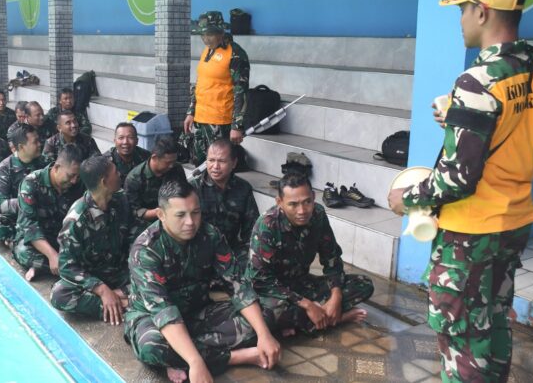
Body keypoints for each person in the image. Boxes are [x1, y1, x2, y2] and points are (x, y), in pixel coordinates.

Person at [386, 0, 533, 383]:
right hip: (513, 223)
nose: (461, 19)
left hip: (470, 233)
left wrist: (406, 198)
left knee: (461, 338)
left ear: (482, 12)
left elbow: (457, 179)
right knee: (494, 326)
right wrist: (461, 120)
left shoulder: (477, 82)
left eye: (463, 10)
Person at [125, 180, 281, 383]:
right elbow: (163, 312)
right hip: (153, 318)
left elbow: (238, 286)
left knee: (265, 317)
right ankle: (235, 357)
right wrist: (195, 361)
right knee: (152, 347)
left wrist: (264, 334)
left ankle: (180, 356)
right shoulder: (146, 250)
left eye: (196, 213)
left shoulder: (210, 234)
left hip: (198, 311)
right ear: (161, 215)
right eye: (180, 215)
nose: (190, 222)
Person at [247, 174, 373, 337]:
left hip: (302, 283)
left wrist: (336, 297)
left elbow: (332, 259)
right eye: (293, 204)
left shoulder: (318, 214)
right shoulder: (267, 225)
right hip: (274, 292)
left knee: (363, 284)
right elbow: (260, 280)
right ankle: (335, 319)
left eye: (307, 202)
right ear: (279, 202)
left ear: (313, 197)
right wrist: (307, 305)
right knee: (266, 315)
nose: (302, 211)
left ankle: (308, 322)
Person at [50, 155, 133, 322]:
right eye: (115, 173)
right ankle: (124, 305)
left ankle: (119, 299)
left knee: (157, 276)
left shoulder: (121, 200)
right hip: (92, 278)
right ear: (104, 182)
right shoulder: (76, 219)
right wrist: (101, 289)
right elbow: (66, 266)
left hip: (120, 273)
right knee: (59, 294)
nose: (120, 175)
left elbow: (135, 236)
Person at [183, 11, 250, 164]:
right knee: (200, 164)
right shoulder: (208, 50)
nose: (205, 39)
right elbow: (200, 83)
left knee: (219, 166)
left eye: (210, 34)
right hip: (201, 119)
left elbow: (241, 91)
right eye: (202, 35)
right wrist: (191, 112)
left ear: (221, 32)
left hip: (220, 122)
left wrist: (237, 125)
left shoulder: (235, 53)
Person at [14, 145, 85, 281]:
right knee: (23, 252)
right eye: (71, 176)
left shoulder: (78, 184)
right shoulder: (31, 183)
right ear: (56, 168)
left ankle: (47, 267)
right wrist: (52, 255)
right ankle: (66, 268)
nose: (74, 181)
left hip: (64, 239)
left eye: (77, 176)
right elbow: (29, 226)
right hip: (40, 239)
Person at [189, 139, 258, 273]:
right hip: (198, 251)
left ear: (234, 163)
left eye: (221, 161)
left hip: (231, 252)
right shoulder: (192, 189)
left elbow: (252, 229)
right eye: (211, 160)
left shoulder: (243, 188)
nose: (215, 166)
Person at [0, 124, 48, 243]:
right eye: (35, 142)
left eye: (39, 140)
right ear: (21, 147)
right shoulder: (4, 168)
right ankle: (16, 239)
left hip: (42, 211)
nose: (39, 144)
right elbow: (1, 204)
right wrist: (26, 202)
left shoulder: (45, 163)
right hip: (17, 215)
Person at [124, 136, 187, 233]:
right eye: (168, 162)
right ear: (154, 158)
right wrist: (163, 211)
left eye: (174, 161)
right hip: (147, 223)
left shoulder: (176, 169)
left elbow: (184, 193)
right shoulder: (134, 178)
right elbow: (135, 212)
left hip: (175, 215)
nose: (171, 166)